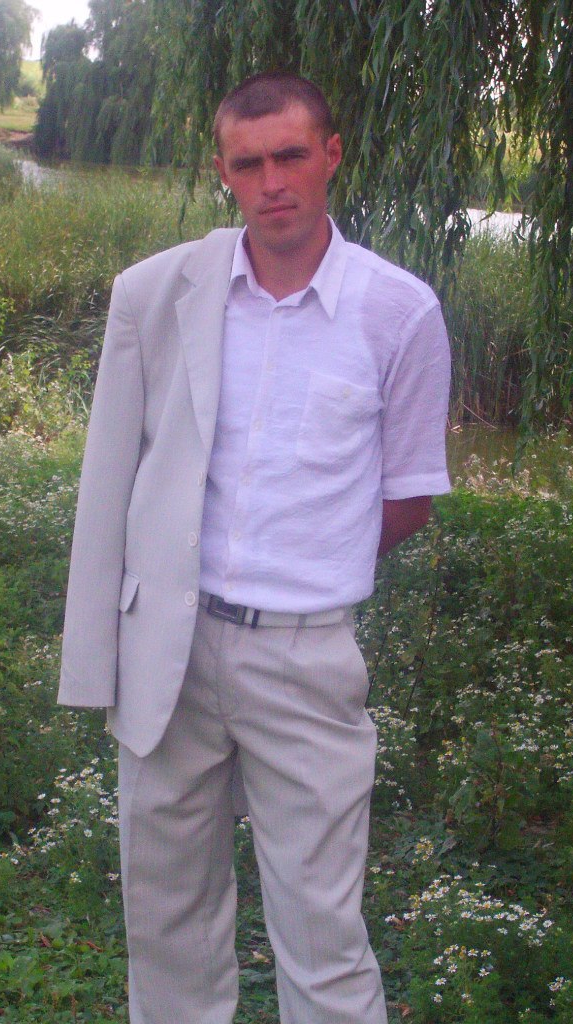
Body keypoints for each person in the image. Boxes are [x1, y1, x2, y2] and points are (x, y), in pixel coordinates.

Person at [58, 71, 451, 1024]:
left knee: (322, 930)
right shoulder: (157, 294)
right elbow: (109, 483)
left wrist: (310, 564)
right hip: (170, 649)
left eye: (290, 156)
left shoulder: (399, 312)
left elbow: (406, 499)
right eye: (248, 164)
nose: (272, 183)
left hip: (305, 658)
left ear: (331, 156)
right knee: (167, 919)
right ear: (224, 171)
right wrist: (98, 651)